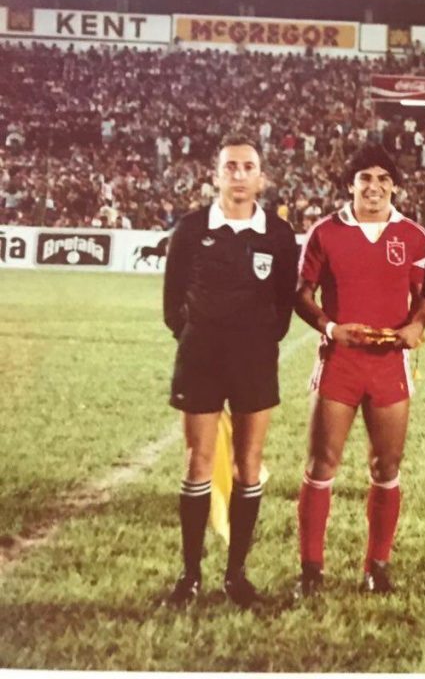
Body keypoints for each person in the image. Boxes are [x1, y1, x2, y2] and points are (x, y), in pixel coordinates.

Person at [162, 134, 298, 608]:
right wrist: (196, 336)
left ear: (262, 178)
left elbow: (284, 303)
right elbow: (172, 302)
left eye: (247, 167)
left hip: (253, 361)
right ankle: (190, 576)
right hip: (200, 358)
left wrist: (256, 340)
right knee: (198, 461)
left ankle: (236, 575)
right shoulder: (190, 228)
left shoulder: (277, 234)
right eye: (230, 167)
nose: (239, 175)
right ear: (215, 176)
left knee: (248, 463)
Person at [294, 144, 425, 597]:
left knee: (386, 465)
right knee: (322, 463)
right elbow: (302, 294)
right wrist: (332, 328)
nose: (374, 187)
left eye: (383, 179)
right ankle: (311, 569)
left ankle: (377, 567)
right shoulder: (325, 232)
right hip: (340, 362)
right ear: (350, 184)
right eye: (365, 178)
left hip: (389, 364)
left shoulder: (412, 235)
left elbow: (423, 298)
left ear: (395, 186)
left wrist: (416, 326)